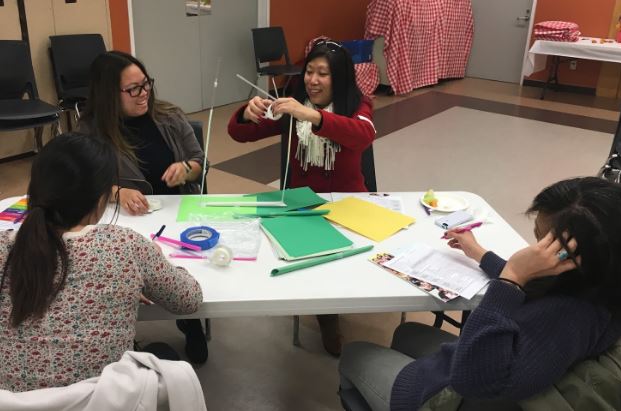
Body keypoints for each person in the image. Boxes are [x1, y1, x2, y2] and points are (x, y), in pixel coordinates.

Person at [338, 177, 621, 411]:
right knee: (407, 332)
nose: (534, 249)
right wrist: (479, 253)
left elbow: (475, 383)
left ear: (573, 257)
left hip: (448, 396)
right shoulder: (601, 287)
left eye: (543, 242)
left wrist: (511, 280)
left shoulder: (568, 319)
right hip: (471, 369)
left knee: (354, 352)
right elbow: (539, 284)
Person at [0, 133, 203, 392]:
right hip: (104, 400)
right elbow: (189, 299)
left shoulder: (6, 247)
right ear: (100, 199)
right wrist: (147, 266)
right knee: (164, 354)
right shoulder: (125, 246)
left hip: (16, 405)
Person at [228, 40, 376, 356]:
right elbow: (240, 134)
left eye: (324, 73)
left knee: (364, 258)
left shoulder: (356, 105)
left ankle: (343, 296)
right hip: (303, 204)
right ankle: (328, 316)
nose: (313, 80)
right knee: (312, 261)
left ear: (341, 78)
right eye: (309, 71)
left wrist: (312, 116)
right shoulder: (292, 107)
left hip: (349, 203)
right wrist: (247, 112)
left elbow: (362, 135)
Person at [80, 51, 209, 364]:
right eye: (133, 89)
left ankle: (191, 324)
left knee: (184, 271)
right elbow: (83, 181)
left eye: (146, 84)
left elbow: (201, 162)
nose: (144, 94)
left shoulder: (169, 116)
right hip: (126, 223)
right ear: (109, 95)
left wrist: (187, 168)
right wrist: (116, 190)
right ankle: (124, 332)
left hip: (179, 213)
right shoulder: (91, 131)